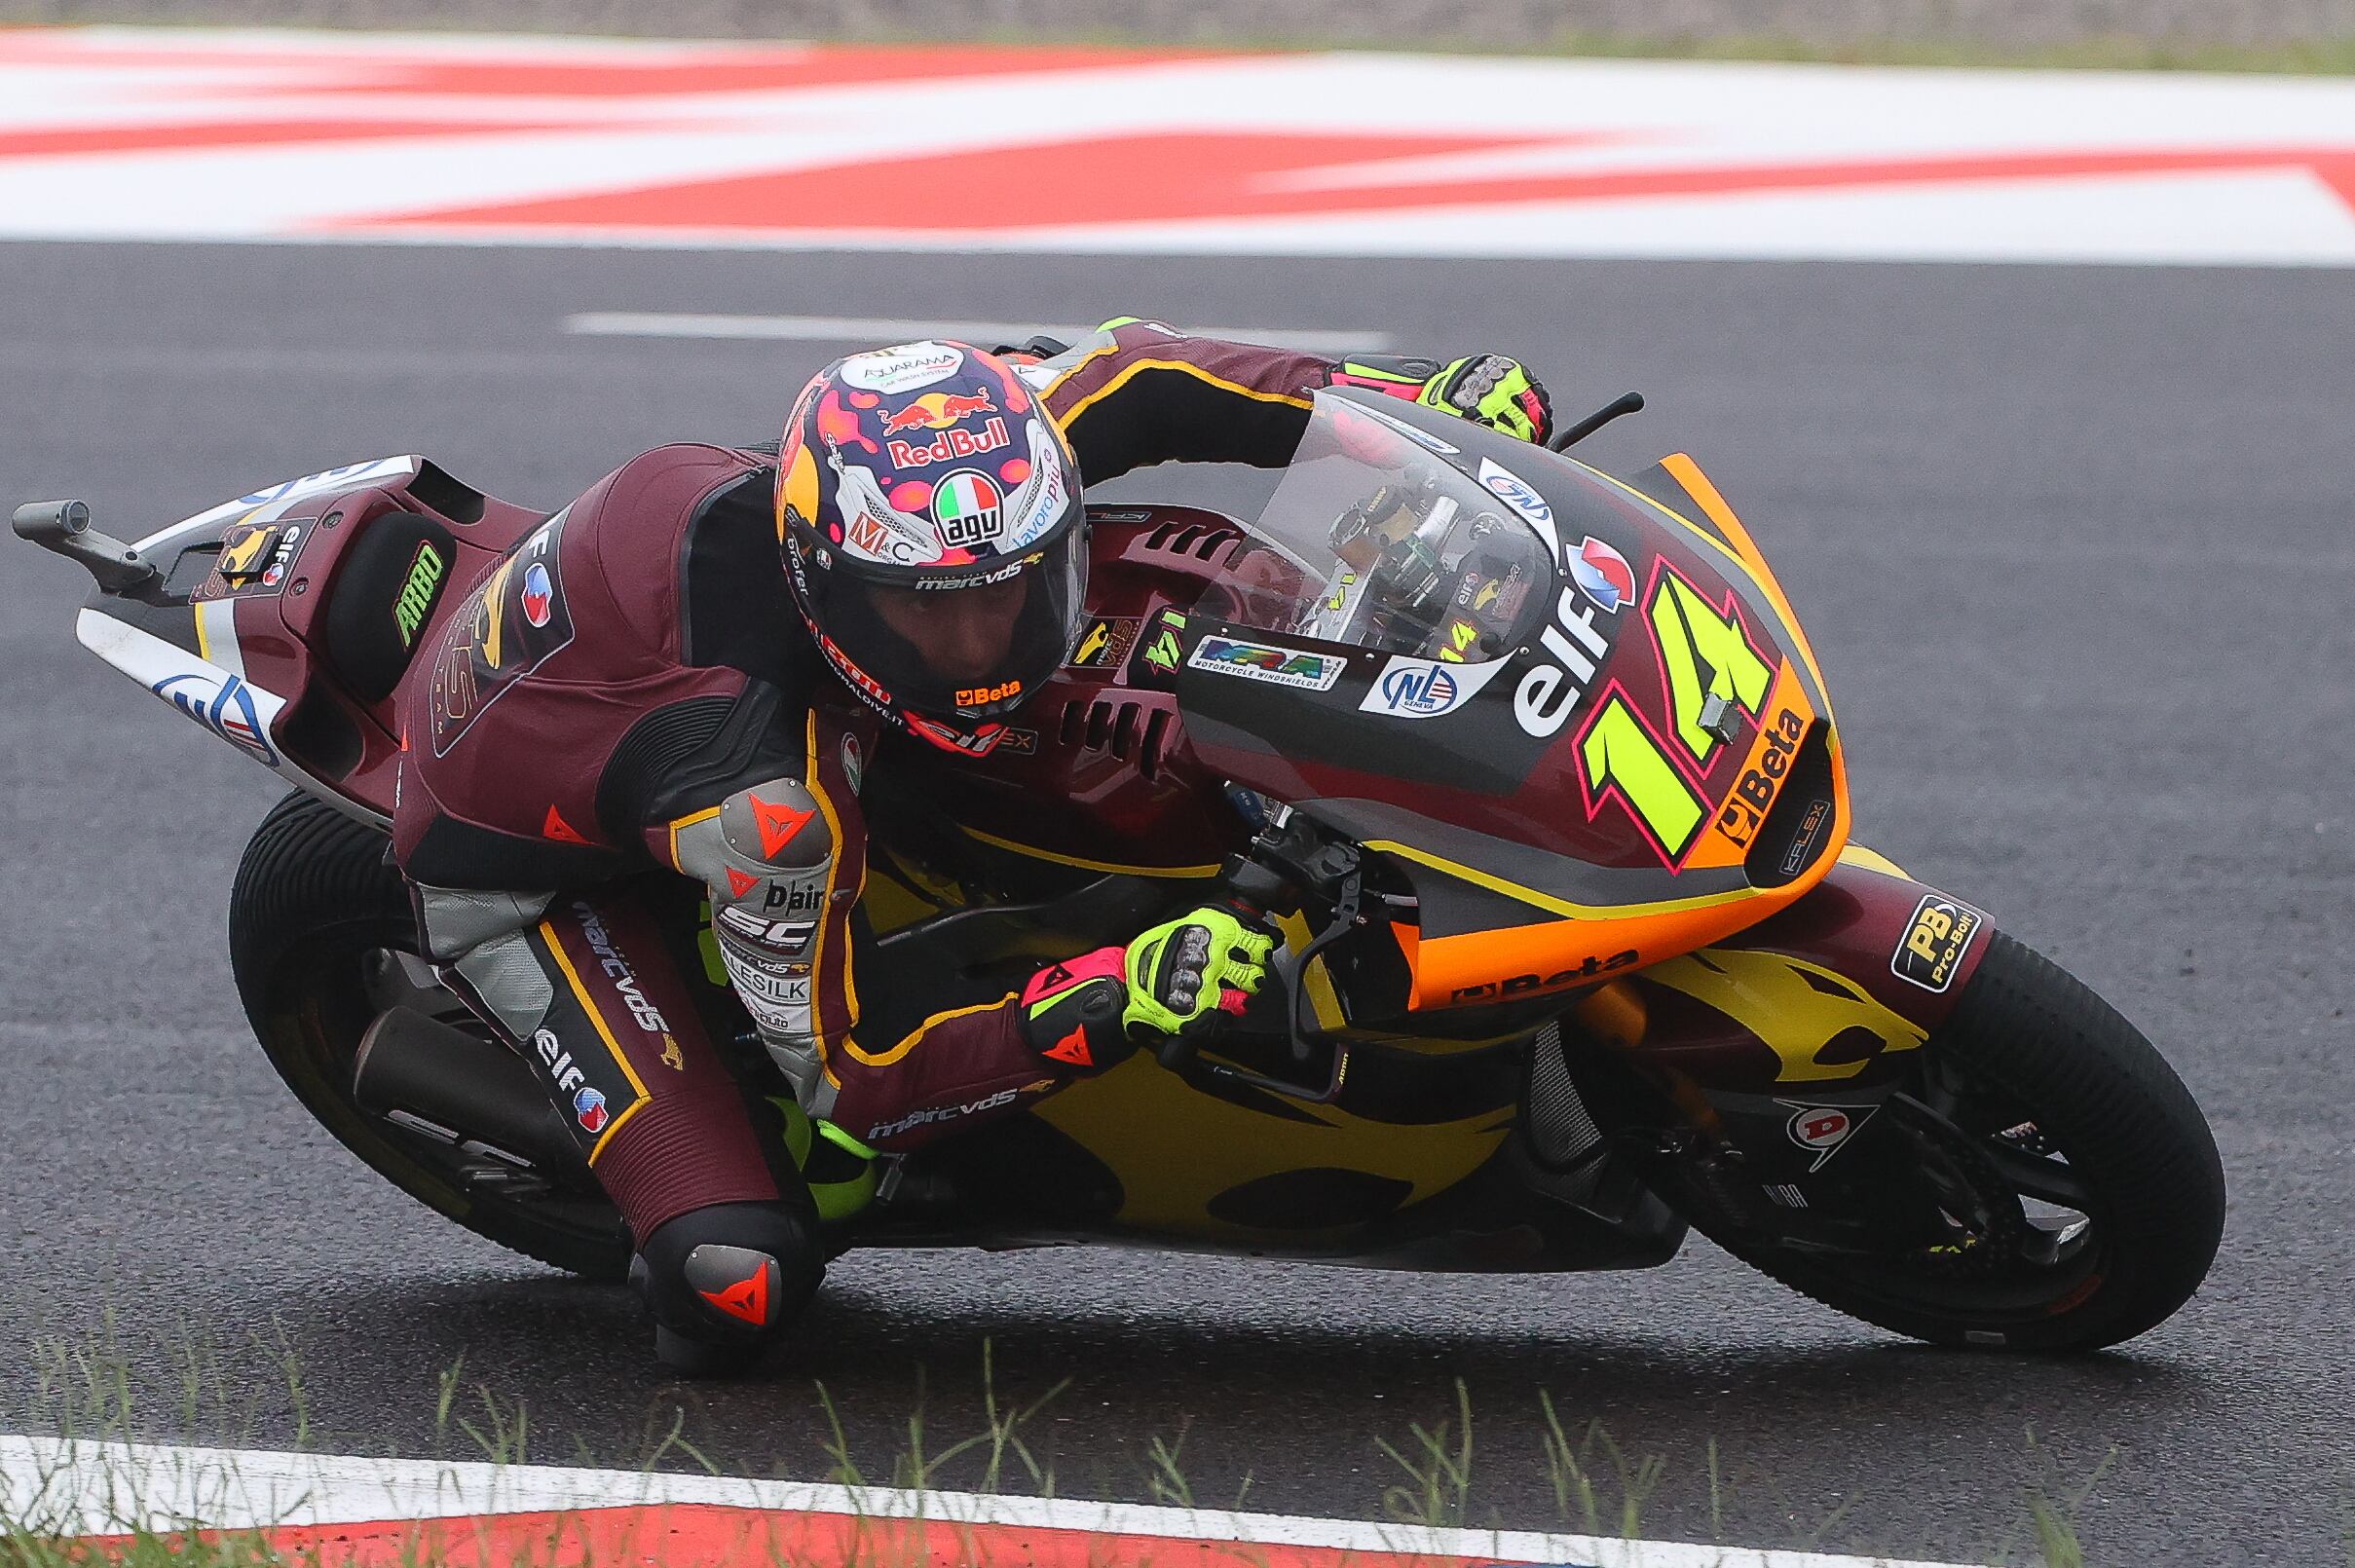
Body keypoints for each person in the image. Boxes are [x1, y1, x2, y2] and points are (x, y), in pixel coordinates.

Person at [384, 318, 1552, 1371]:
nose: (983, 636)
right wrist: (1120, 993)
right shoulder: (765, 805)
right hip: (530, 879)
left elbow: (1148, 371)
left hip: (624, 665)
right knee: (741, 1277)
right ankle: (654, 1163)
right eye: (928, 610)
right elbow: (853, 1079)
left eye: (1009, 588)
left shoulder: (963, 455)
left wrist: (1404, 403)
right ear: (831, 579)